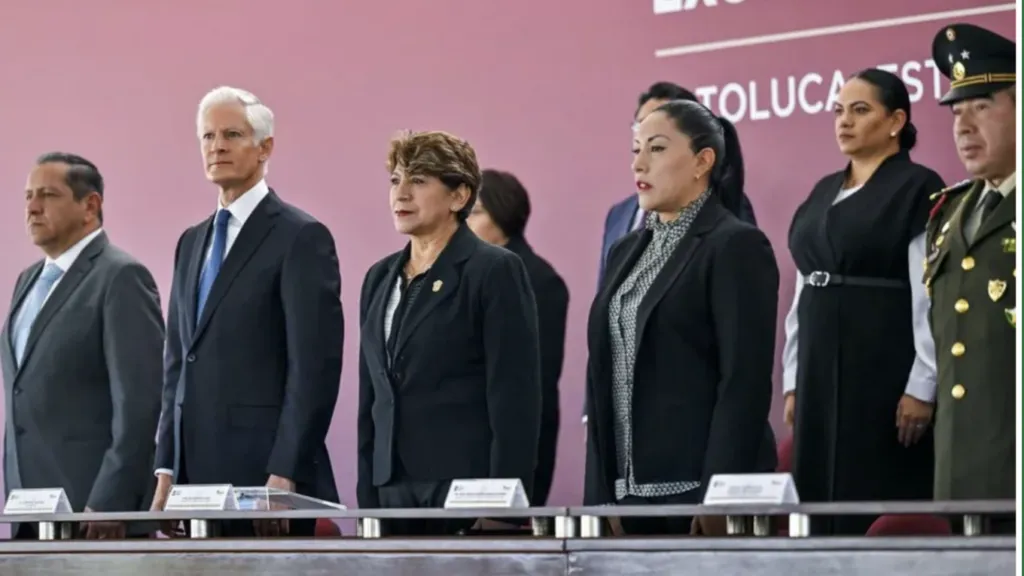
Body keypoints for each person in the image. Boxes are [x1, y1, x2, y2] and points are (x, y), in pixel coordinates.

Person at [152, 86, 344, 538]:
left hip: (265, 480)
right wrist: (166, 466)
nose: (216, 146)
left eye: (232, 134)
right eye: (207, 136)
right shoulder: (191, 241)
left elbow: (313, 369)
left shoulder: (301, 236)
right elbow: (177, 364)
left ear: (265, 147)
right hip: (195, 481)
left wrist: (285, 470)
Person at [584, 100, 779, 536]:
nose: (639, 162)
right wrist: (599, 497)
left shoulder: (735, 245)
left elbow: (743, 383)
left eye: (655, 148)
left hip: (697, 496)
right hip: (626, 499)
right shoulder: (624, 251)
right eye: (635, 149)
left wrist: (718, 497)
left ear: (702, 161)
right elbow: (601, 381)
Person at [783, 69, 946, 536]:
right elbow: (802, 292)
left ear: (896, 120)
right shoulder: (822, 190)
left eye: (860, 110)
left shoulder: (917, 186)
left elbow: (928, 291)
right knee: (817, 497)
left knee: (872, 482)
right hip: (818, 368)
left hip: (881, 366)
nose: (844, 122)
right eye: (838, 111)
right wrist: (794, 377)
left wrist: (923, 383)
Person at [357, 131, 542, 536]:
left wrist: (504, 507)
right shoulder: (378, 278)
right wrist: (367, 499)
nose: (401, 194)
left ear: (459, 196)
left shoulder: (494, 271)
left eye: (419, 181)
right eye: (395, 181)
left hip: (465, 489)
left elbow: (515, 399)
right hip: (390, 490)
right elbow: (371, 398)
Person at [1, 153, 164, 539]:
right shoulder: (27, 281)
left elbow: (139, 404)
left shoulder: (121, 277)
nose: (32, 208)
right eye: (27, 196)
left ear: (90, 206)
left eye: (47, 195)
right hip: (32, 511)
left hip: (96, 515)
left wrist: (112, 498)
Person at [924, 23, 1016, 534]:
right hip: (961, 473)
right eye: (958, 112)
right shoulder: (949, 211)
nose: (963, 125)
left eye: (981, 106)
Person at [467, 168, 569, 507]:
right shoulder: (468, 273)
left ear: (504, 214)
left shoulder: (540, 281)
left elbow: (532, 384)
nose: (464, 222)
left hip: (511, 460)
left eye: (476, 212)